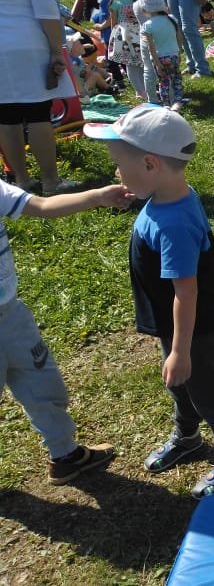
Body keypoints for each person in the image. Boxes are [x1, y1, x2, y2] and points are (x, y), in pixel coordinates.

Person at [84, 105, 214, 497]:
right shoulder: (165, 200)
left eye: (118, 165)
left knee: (212, 394)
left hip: (194, 332)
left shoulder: (174, 223)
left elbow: (186, 292)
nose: (116, 173)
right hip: (175, 327)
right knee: (180, 386)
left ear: (150, 164)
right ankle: (188, 436)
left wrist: (180, 351)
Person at [0, 179, 131, 484]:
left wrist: (97, 197)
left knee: (43, 384)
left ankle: (65, 455)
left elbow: (43, 205)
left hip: (12, 314)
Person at [0, 0, 80, 196]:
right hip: (27, 45)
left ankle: (21, 181)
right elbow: (47, 11)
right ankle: (50, 180)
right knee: (37, 114)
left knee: (5, 116)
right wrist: (56, 50)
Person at [138, 0, 186, 113]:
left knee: (164, 82)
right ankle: (177, 102)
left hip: (160, 58)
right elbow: (179, 36)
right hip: (174, 55)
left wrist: (157, 63)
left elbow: (151, 47)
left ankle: (166, 105)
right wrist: (178, 51)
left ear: (145, 9)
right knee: (177, 80)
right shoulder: (172, 19)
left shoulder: (147, 25)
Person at [105, 0, 145, 99]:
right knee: (130, 63)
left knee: (142, 62)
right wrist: (114, 40)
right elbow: (114, 23)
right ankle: (139, 90)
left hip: (139, 34)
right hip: (125, 36)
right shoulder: (115, 3)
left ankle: (145, 86)